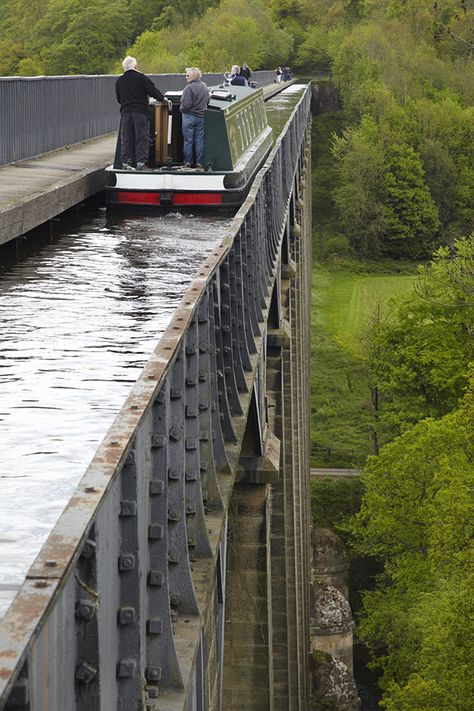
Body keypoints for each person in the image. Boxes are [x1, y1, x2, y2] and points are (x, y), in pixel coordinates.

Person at [115, 56, 164, 170]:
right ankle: (140, 163)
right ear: (135, 66)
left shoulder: (120, 80)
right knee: (141, 137)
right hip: (140, 112)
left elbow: (119, 99)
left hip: (126, 112)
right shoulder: (141, 78)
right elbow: (153, 92)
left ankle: (126, 163)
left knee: (127, 137)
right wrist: (162, 98)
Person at [179, 67, 209, 169]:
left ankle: (188, 162)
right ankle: (199, 162)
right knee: (199, 141)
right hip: (201, 117)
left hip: (189, 117)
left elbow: (186, 105)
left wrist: (181, 109)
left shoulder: (188, 88)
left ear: (194, 76)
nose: (186, 77)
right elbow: (207, 101)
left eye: (188, 75)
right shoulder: (204, 86)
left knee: (188, 141)